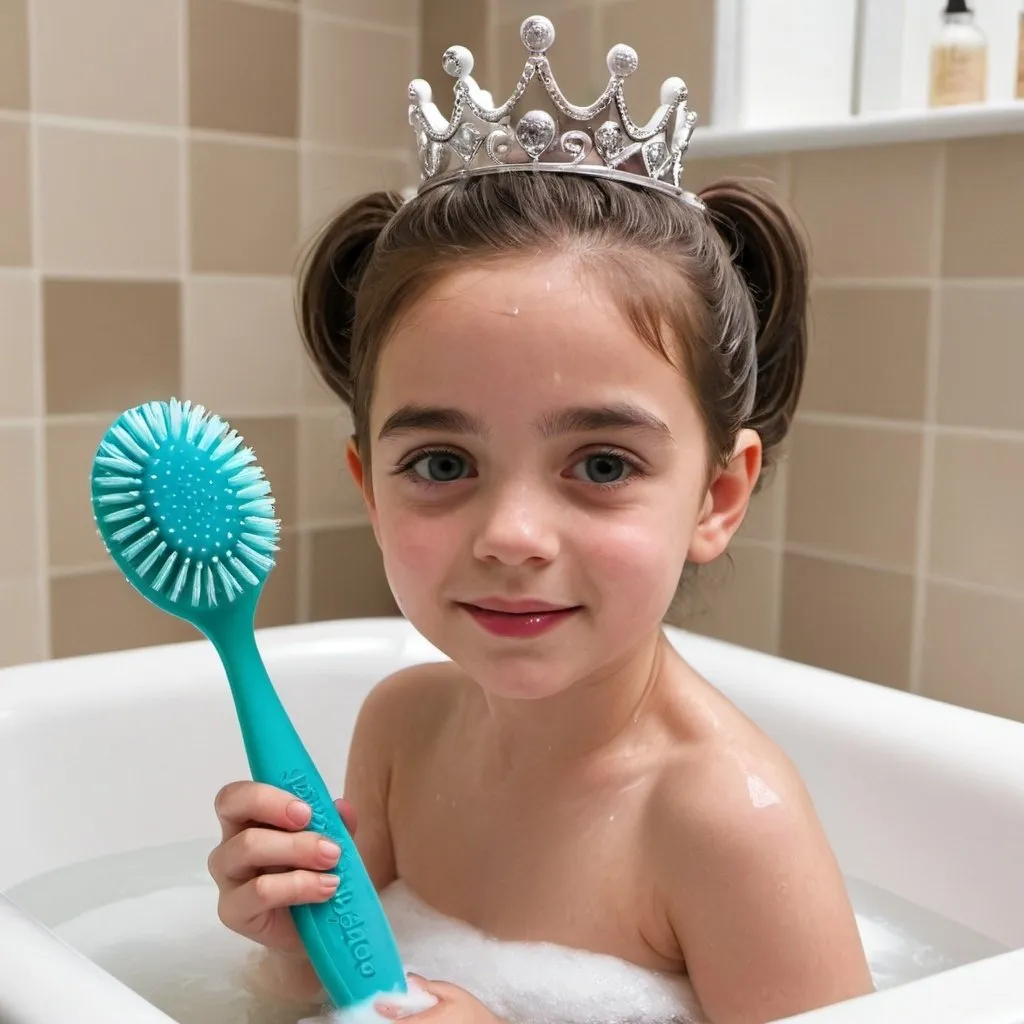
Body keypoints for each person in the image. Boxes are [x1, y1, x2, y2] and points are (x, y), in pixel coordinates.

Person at [206, 15, 874, 1024]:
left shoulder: (722, 823)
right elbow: (340, 993)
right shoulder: (401, 727)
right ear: (368, 488)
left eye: (601, 464)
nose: (511, 534)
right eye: (440, 463)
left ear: (716, 496)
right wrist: (288, 949)